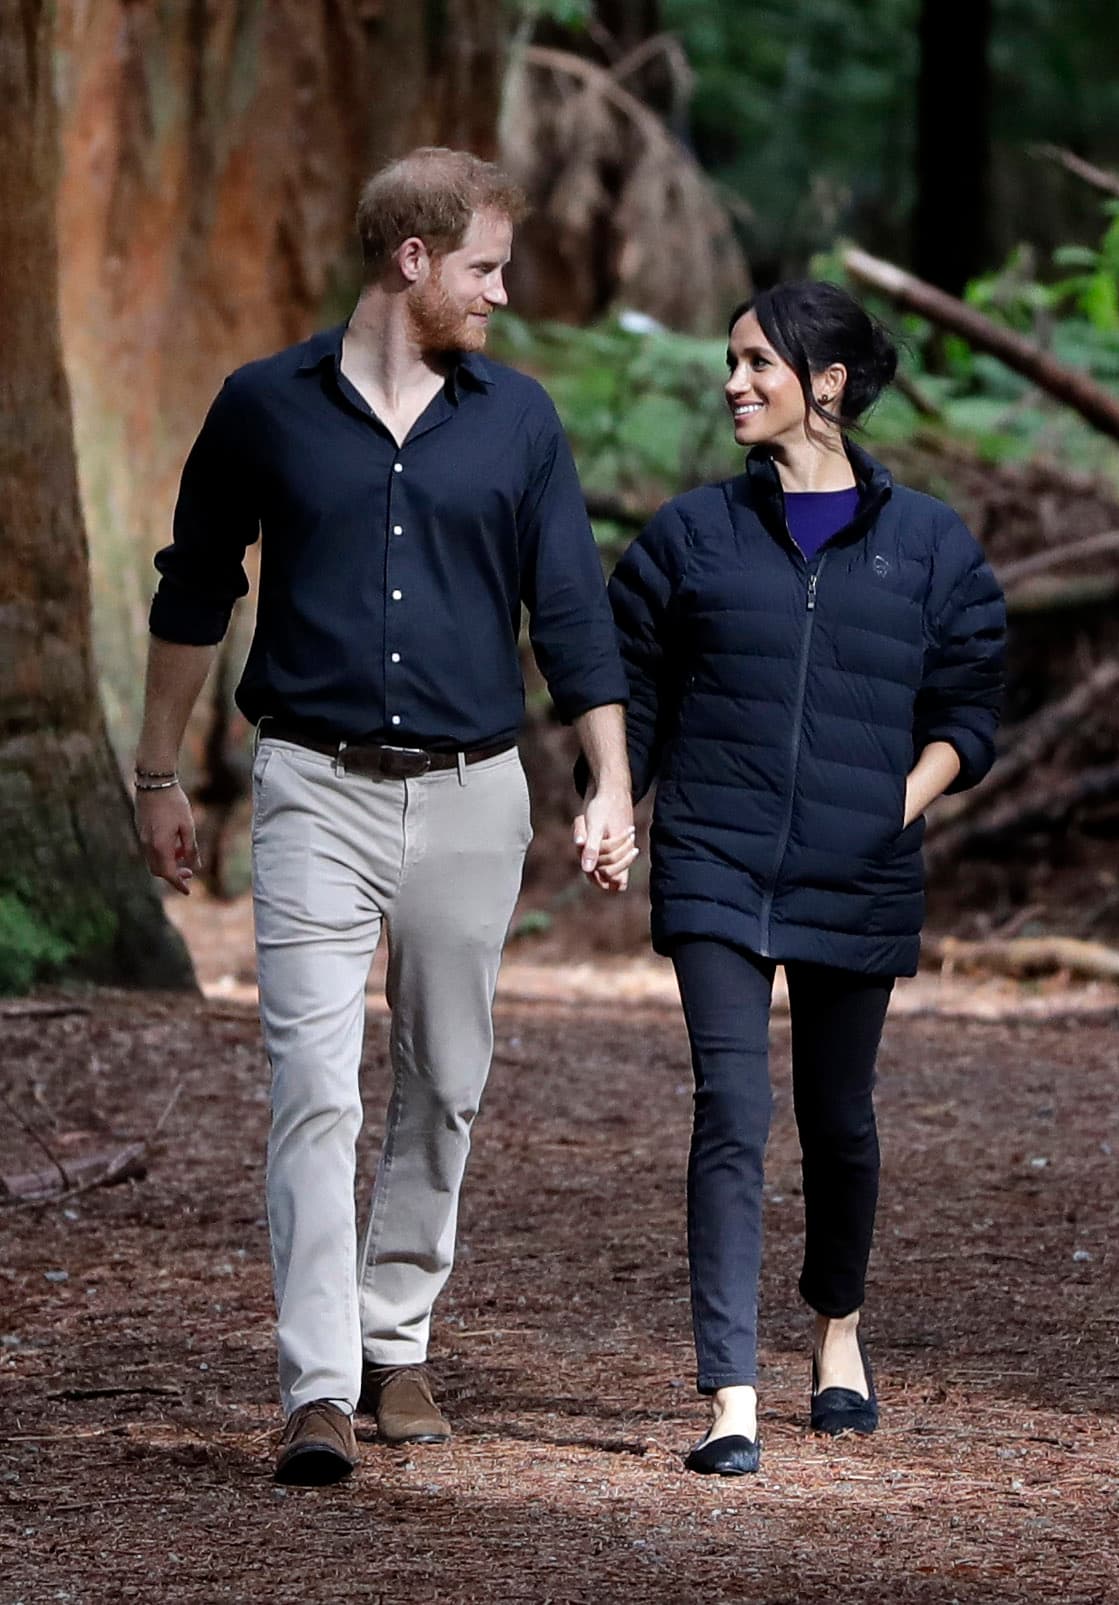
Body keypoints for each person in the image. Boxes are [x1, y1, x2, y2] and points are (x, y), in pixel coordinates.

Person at [134, 147, 637, 1486]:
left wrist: (610, 780)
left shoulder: (517, 422)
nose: (502, 292)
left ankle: (392, 1338)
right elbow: (193, 590)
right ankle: (314, 1386)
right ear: (410, 261)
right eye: (483, 267)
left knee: (443, 1086)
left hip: (475, 793)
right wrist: (155, 771)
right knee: (310, 1090)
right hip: (311, 785)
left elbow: (572, 612)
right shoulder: (262, 409)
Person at [598, 281, 1004, 1475]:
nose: (734, 383)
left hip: (859, 867)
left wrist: (895, 803)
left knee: (840, 1121)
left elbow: (969, 708)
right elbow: (628, 685)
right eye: (732, 362)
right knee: (730, 1112)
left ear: (825, 385)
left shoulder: (929, 544)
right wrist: (615, 798)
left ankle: (837, 1332)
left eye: (757, 364)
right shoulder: (690, 536)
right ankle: (730, 1393)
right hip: (717, 858)